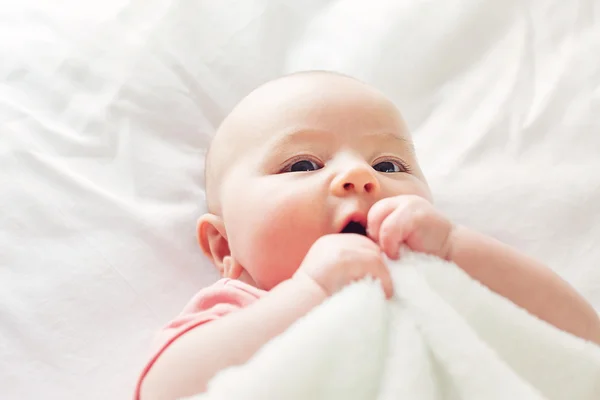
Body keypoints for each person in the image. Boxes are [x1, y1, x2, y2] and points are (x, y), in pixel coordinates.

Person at [136, 71, 600, 400]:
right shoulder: (240, 308)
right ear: (224, 246)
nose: (359, 175)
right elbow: (162, 390)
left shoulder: (446, 276)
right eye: (303, 165)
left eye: (388, 166)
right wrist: (310, 291)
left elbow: (584, 343)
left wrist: (459, 249)